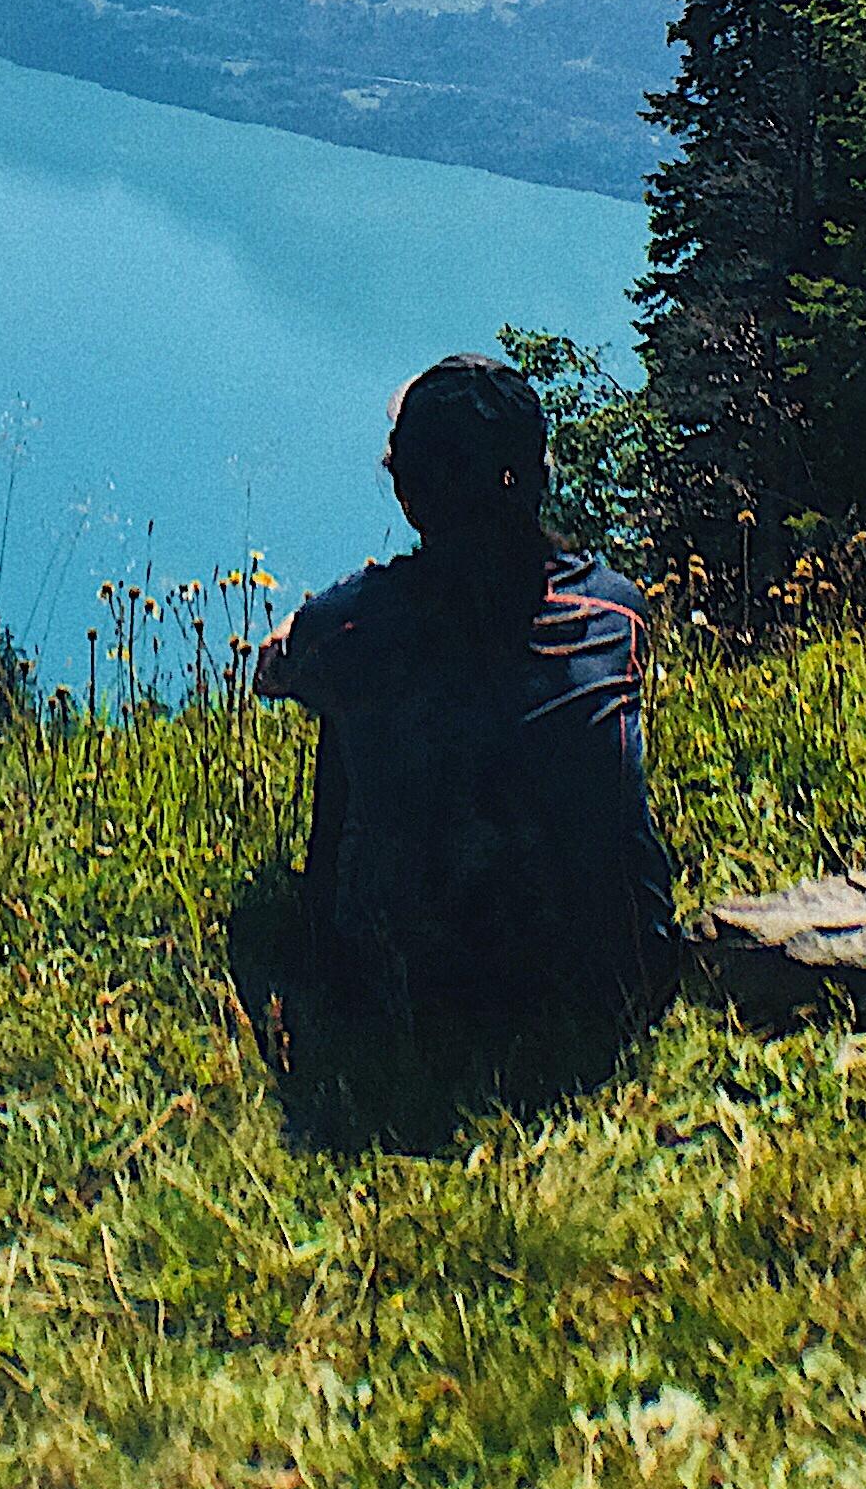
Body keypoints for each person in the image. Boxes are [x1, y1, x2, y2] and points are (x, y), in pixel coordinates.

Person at [248, 353, 679, 1100]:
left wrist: (302, 634)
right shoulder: (616, 610)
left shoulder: (354, 623)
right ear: (538, 476)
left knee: (347, 705)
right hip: (613, 975)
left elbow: (271, 672)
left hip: (422, 992)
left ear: (409, 494)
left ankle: (323, 946)